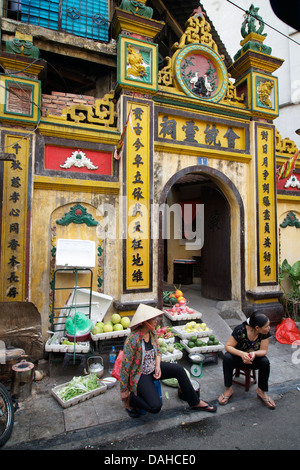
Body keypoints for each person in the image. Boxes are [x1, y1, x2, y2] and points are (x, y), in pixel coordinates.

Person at [120, 303, 217, 417]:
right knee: (155, 407)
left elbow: (158, 352)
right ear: (145, 322)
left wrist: (157, 366)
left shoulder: (152, 333)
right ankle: (132, 399)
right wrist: (124, 390)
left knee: (180, 370)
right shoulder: (133, 339)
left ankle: (195, 402)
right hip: (140, 374)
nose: (156, 321)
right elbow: (125, 367)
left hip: (153, 368)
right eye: (153, 319)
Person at [218, 311, 275, 409]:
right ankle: (228, 389)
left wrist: (253, 354)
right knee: (227, 358)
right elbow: (228, 346)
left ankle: (261, 391)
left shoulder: (265, 333)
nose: (268, 328)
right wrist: (242, 354)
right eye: (266, 326)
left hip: (253, 359)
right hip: (238, 358)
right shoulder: (240, 330)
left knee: (265, 362)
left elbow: (264, 351)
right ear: (257, 328)